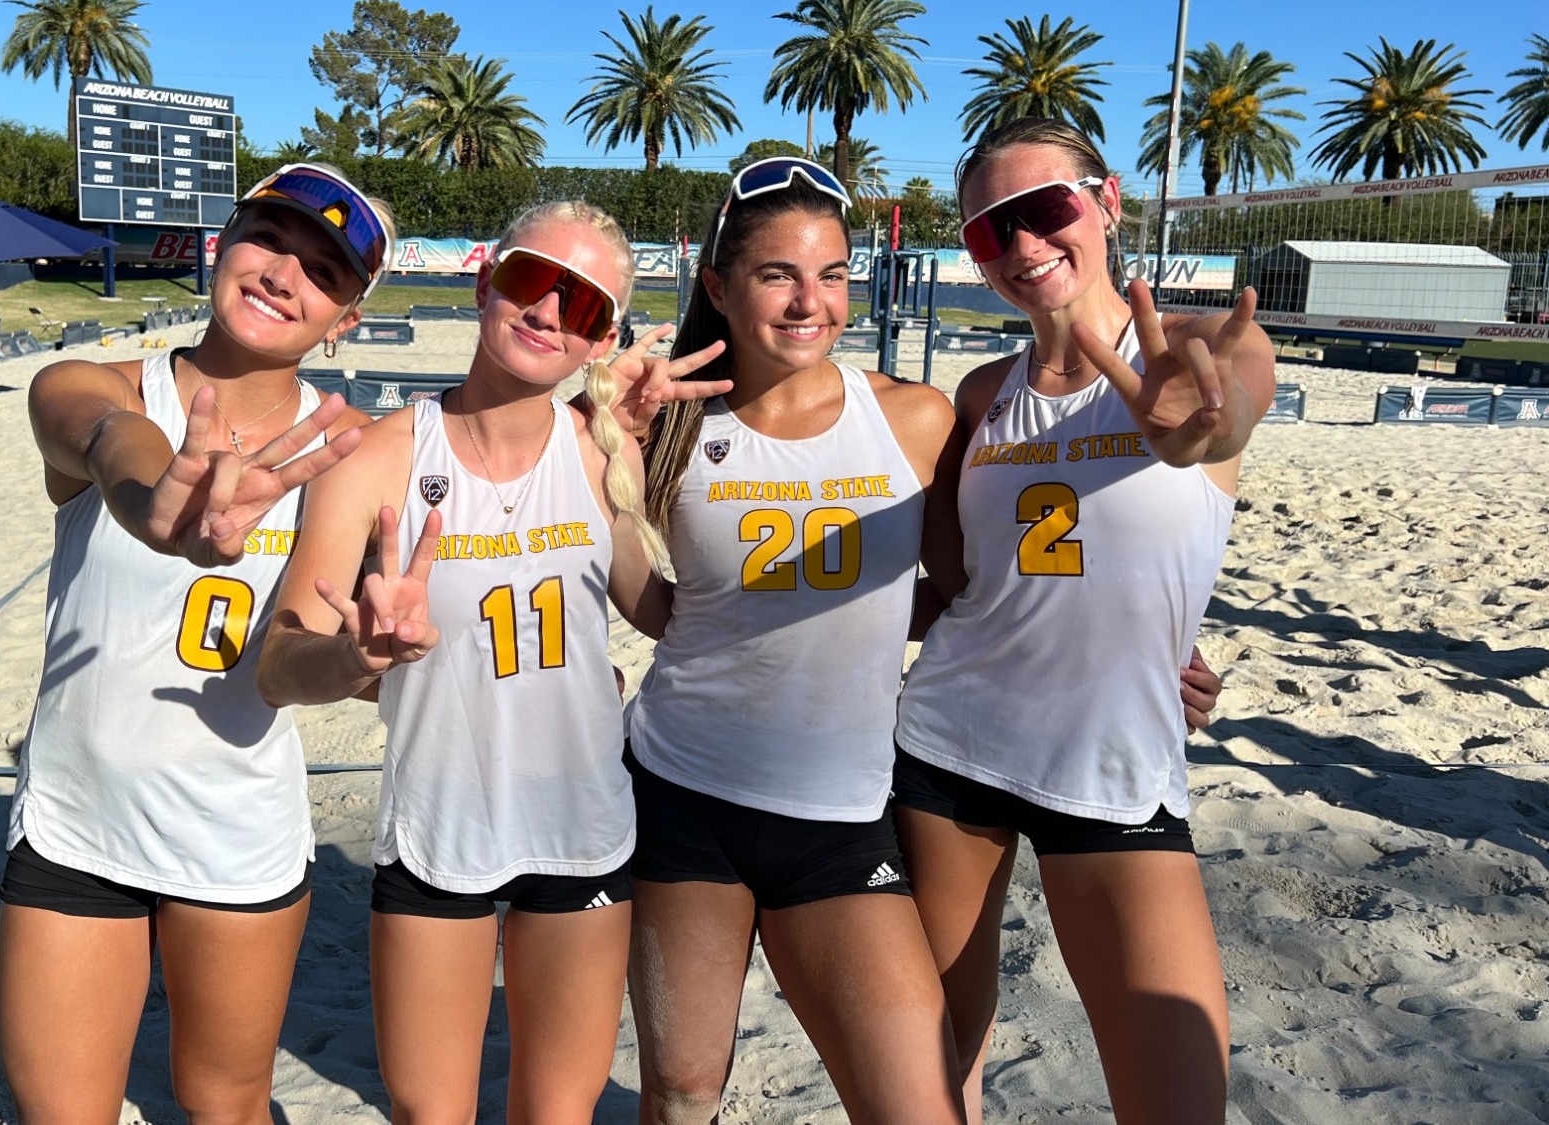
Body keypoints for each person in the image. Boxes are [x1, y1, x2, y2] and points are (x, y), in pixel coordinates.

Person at [258, 200, 719, 1124]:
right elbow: (277, 664)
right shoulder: (383, 455)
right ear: (484, 281)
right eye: (528, 279)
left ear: (603, 340)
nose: (549, 311)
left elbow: (665, 611)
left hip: (581, 823)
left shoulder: (602, 454)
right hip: (438, 825)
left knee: (556, 1109)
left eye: (583, 305)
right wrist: (358, 655)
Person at [892, 117, 1275, 1125]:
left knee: (1175, 1104)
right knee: (930, 1085)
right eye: (987, 230)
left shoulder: (1194, 349)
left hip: (1111, 771)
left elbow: (1226, 412)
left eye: (1042, 210)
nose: (1019, 245)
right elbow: (968, 581)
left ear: (1103, 202)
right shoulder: (981, 395)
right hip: (946, 750)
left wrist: (1196, 421)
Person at [0, 163, 392, 1124]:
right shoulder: (96, 381)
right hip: (75, 823)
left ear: (343, 320)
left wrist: (356, 664)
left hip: (235, 833)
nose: (282, 274)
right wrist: (154, 507)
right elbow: (102, 438)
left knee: (226, 1103)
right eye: (269, 240)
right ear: (221, 243)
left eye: (323, 273)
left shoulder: (350, 453)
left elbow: (286, 663)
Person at [617, 157, 967, 1125]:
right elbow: (660, 609)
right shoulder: (668, 428)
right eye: (777, 274)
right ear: (719, 286)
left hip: (842, 811)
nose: (809, 300)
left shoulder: (911, 418)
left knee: (915, 1106)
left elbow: (968, 594)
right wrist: (600, 443)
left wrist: (1144, 655)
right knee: (682, 1096)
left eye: (831, 273)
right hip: (683, 792)